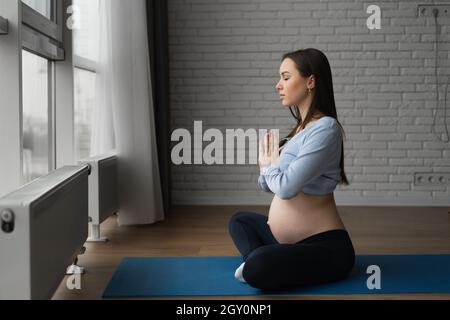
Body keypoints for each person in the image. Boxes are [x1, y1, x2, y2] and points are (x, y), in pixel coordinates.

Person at [228, 48, 355, 291]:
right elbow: (268, 185)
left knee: (257, 268)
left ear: (310, 81)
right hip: (287, 242)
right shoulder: (298, 131)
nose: (278, 85)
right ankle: (272, 258)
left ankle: (263, 261)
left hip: (325, 246)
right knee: (239, 221)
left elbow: (285, 188)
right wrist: (266, 165)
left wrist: (268, 166)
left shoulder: (326, 129)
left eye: (286, 77)